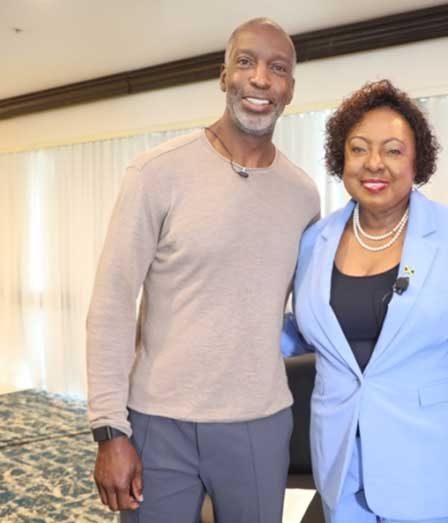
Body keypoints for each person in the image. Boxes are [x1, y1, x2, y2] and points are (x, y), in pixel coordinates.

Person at [86, 18, 319, 522]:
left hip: (259, 423)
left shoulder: (303, 195)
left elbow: (312, 310)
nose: (260, 78)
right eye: (246, 62)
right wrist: (109, 429)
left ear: (290, 89)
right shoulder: (156, 173)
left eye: (277, 68)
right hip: (157, 422)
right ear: (224, 76)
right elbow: (111, 303)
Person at [282, 79, 448, 523]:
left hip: (427, 460)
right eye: (359, 149)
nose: (374, 164)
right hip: (340, 456)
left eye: (393, 150)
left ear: (418, 161)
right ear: (341, 158)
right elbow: (305, 328)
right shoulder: (315, 240)